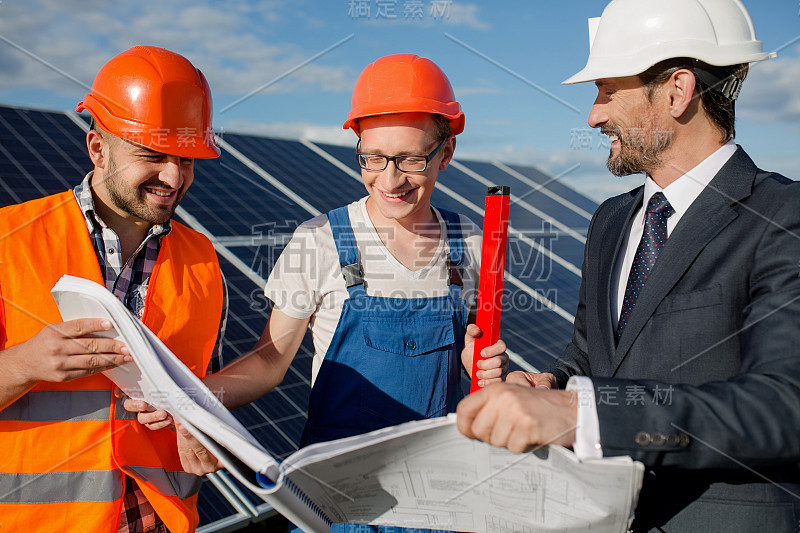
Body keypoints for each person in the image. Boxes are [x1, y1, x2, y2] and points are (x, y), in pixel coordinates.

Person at [456, 0, 800, 531]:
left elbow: (782, 405)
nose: (593, 115)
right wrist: (550, 387)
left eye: (608, 91)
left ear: (676, 91)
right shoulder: (611, 220)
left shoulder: (782, 216)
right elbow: (594, 358)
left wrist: (579, 416)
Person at [139, 54, 507, 532]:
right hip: (339, 505)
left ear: (447, 151)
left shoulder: (472, 246)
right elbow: (269, 363)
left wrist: (482, 366)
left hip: (440, 500)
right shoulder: (319, 241)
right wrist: (189, 397)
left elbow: (477, 361)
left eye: (411, 159)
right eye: (372, 158)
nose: (390, 180)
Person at [0, 46, 226, 532]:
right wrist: (22, 365)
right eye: (152, 155)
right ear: (98, 150)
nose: (173, 177)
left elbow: (209, 392)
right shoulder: (7, 242)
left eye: (186, 160)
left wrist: (208, 429)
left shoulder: (203, 259)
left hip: (161, 521)